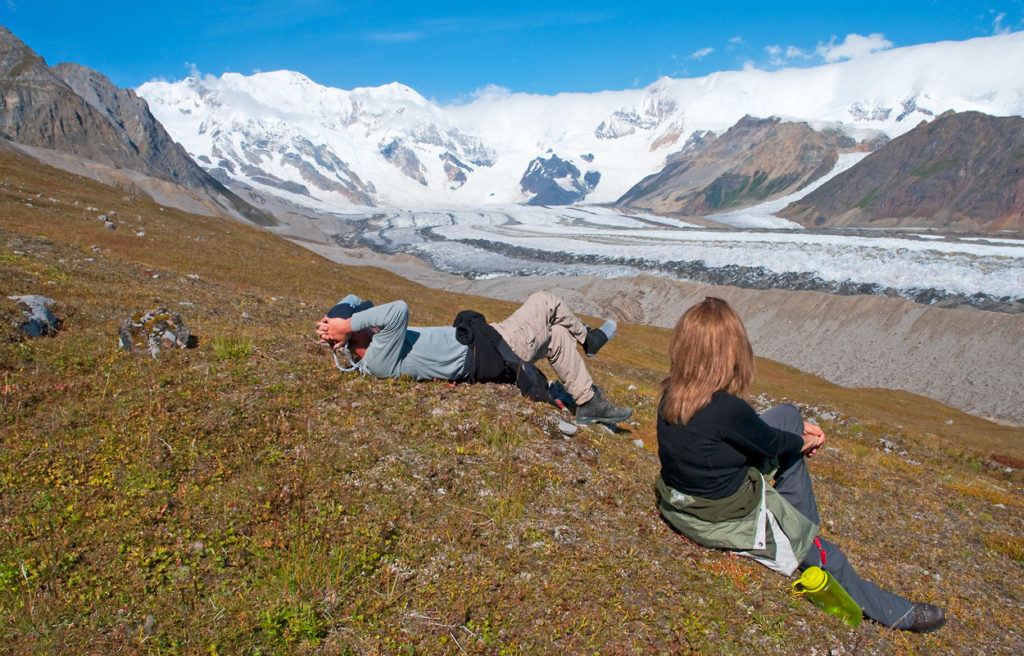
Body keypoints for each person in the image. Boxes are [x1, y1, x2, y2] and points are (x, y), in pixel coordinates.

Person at [654, 297, 945, 633]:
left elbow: (761, 435)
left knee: (788, 415)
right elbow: (777, 444)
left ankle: (801, 519)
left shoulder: (674, 394)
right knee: (829, 557)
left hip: (687, 498)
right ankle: (899, 613)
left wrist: (794, 432)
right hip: (722, 515)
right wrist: (806, 442)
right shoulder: (726, 408)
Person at [315, 291, 632, 426]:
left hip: (487, 341)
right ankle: (590, 339)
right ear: (355, 333)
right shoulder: (378, 357)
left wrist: (335, 326)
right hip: (491, 350)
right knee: (544, 301)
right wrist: (345, 326)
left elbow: (353, 301)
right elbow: (398, 308)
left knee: (557, 336)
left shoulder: (375, 346)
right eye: (363, 324)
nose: (372, 322)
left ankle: (588, 403)